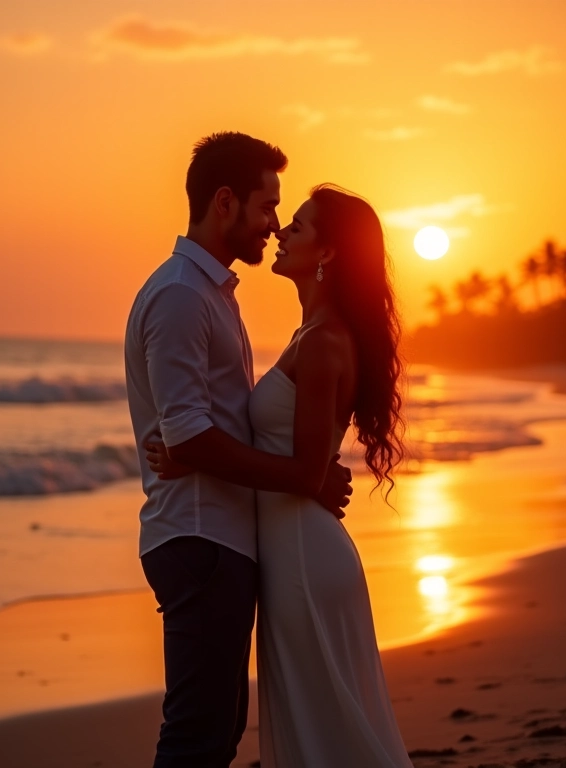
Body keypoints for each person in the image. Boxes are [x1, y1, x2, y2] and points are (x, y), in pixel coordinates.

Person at [150, 184, 413, 767]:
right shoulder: (311, 336)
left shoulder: (323, 343)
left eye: (297, 225)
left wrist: (192, 452)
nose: (280, 231)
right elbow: (299, 463)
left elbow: (305, 470)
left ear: (329, 254)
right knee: (319, 724)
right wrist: (196, 452)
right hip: (293, 552)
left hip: (302, 558)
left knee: (328, 729)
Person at [124, 133, 352, 768]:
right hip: (200, 538)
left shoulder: (212, 294)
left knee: (217, 734)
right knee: (197, 737)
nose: (274, 224)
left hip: (222, 540)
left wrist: (202, 449)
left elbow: (199, 430)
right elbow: (190, 433)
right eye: (267, 205)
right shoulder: (180, 296)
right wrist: (303, 477)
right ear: (224, 202)